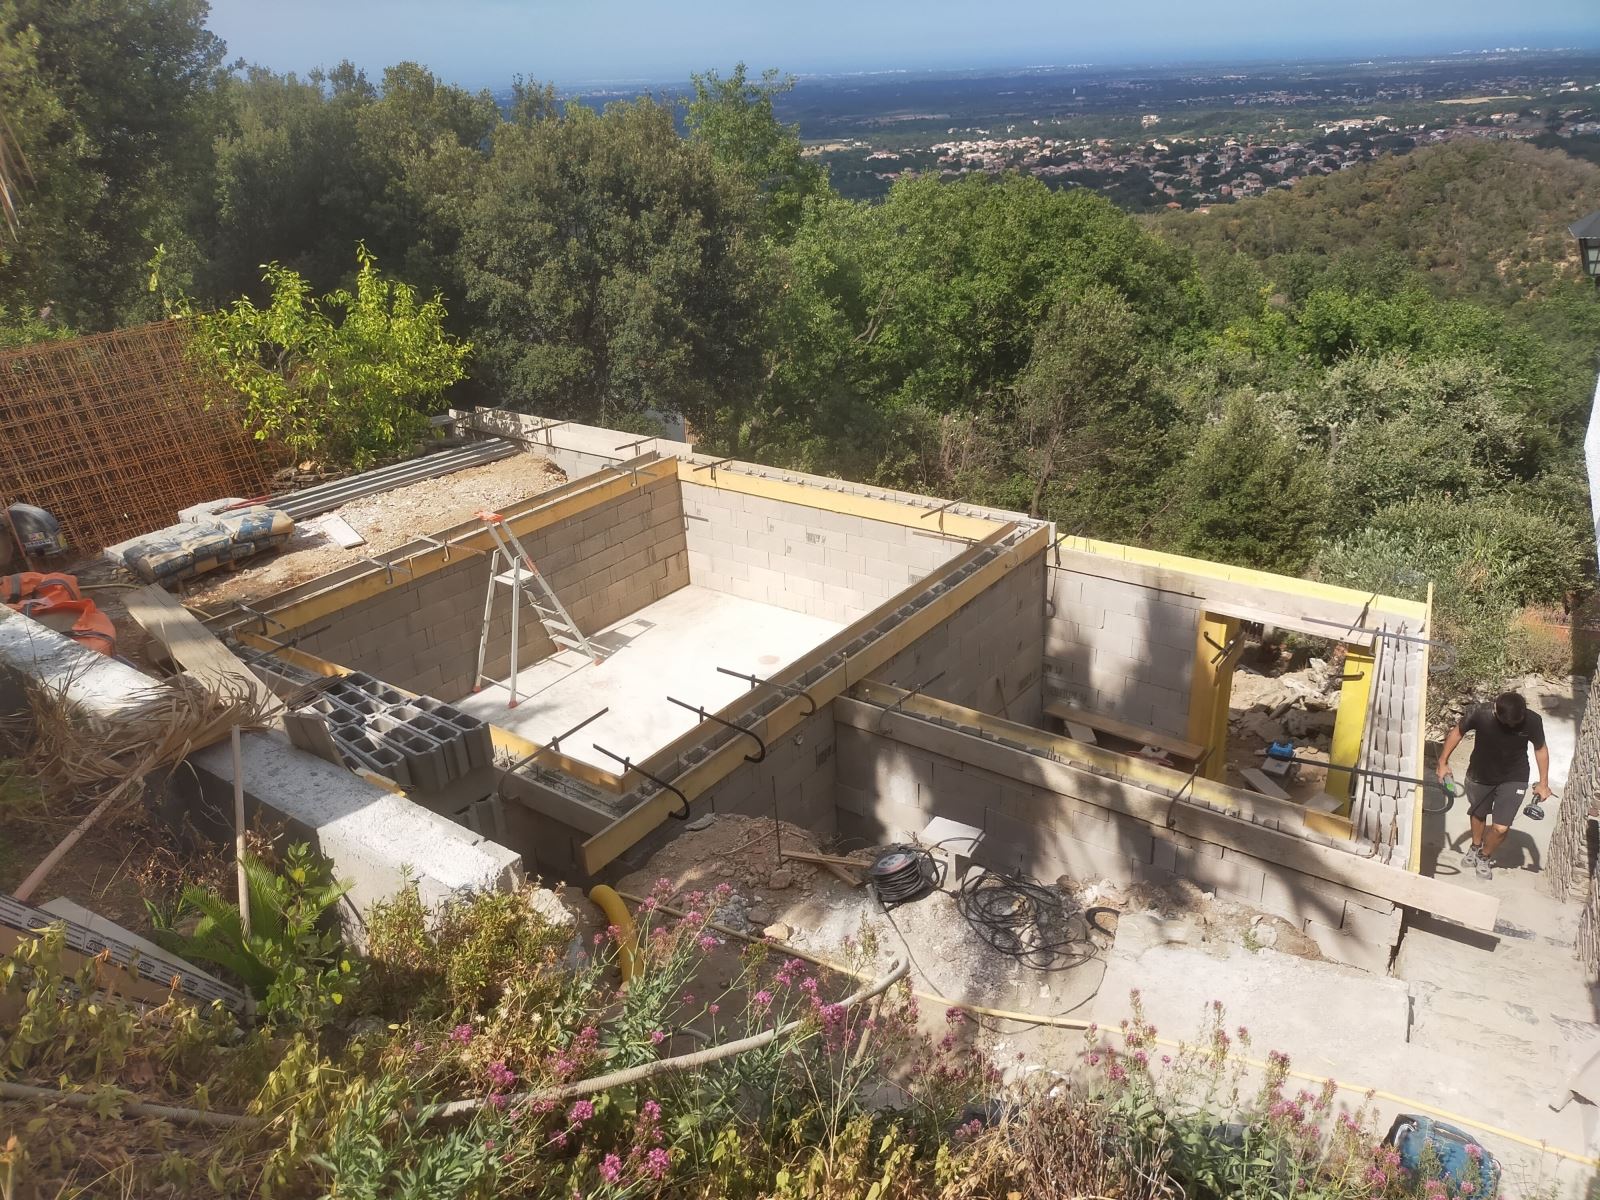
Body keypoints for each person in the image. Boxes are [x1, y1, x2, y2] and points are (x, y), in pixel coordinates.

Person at [1436, 692, 1553, 880]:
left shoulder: (1532, 720)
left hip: (1515, 776)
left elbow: (1540, 749)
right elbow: (1457, 733)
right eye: (1507, 723)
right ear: (1496, 711)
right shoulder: (1479, 713)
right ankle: (1475, 846)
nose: (1512, 726)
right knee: (1478, 814)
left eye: (1516, 722)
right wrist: (1443, 762)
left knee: (1501, 828)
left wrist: (1543, 783)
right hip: (1480, 774)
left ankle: (1484, 856)